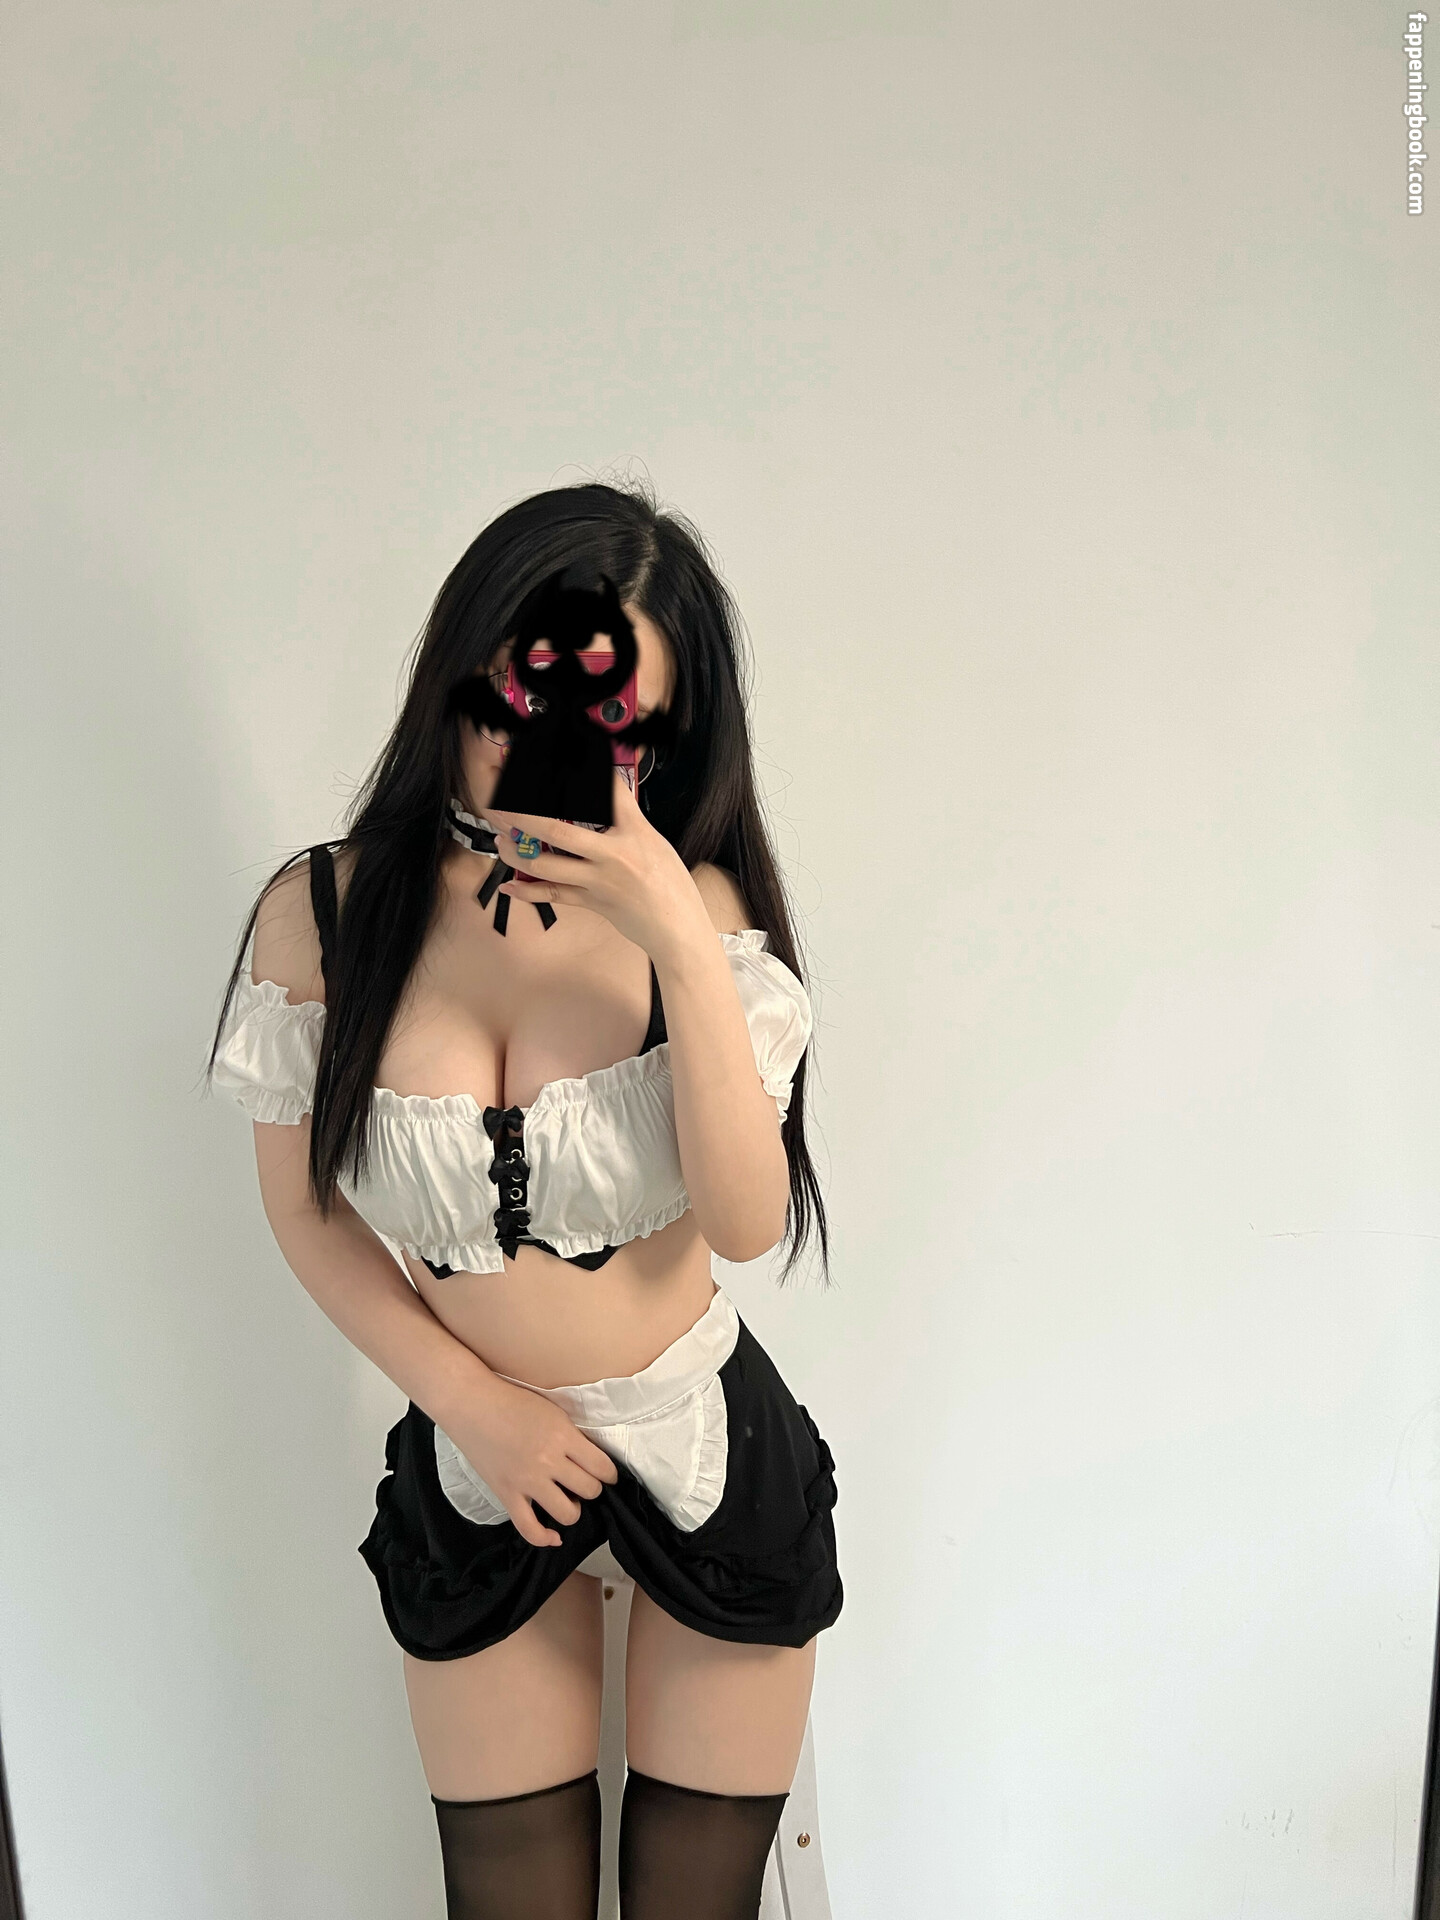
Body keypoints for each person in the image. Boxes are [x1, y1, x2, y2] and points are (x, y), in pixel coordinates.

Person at [206, 480, 842, 1919]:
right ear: (461, 673)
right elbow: (309, 1214)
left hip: (702, 1441)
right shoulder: (325, 913)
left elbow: (747, 1223)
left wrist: (675, 930)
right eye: (521, 697)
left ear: (664, 736)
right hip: (478, 1460)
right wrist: (474, 1406)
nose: (549, 747)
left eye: (614, 720)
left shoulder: (706, 913)